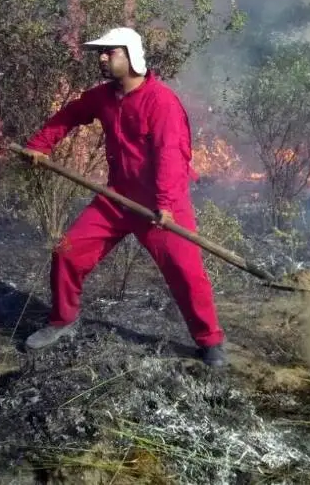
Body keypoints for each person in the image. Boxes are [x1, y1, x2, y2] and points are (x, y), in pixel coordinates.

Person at [21, 27, 226, 367]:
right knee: (67, 253)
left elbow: (171, 157)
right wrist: (39, 145)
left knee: (186, 272)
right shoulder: (103, 97)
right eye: (100, 53)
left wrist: (164, 205)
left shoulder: (161, 102)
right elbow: (70, 115)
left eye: (110, 52)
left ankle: (210, 340)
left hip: (161, 204)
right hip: (116, 198)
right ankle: (62, 320)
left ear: (131, 57)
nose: (101, 58)